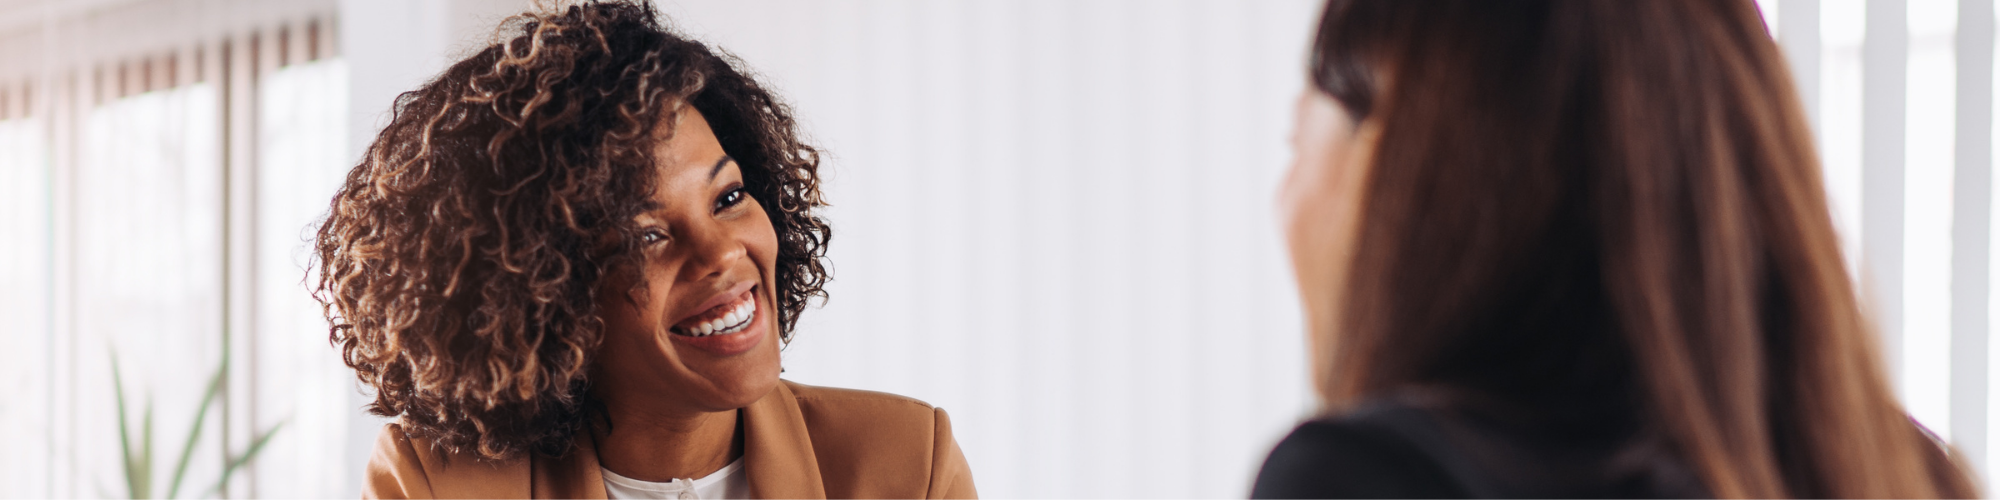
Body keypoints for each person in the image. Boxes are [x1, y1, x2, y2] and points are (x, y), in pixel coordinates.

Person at [1253, 0, 1978, 497]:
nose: (1284, 205)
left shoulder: (1378, 477)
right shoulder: (1907, 476)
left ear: (1405, 172)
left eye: (1296, 145)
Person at [313, 2, 975, 498]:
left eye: (727, 198)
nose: (720, 255)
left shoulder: (907, 463)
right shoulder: (439, 483)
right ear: (543, 297)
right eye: (646, 237)